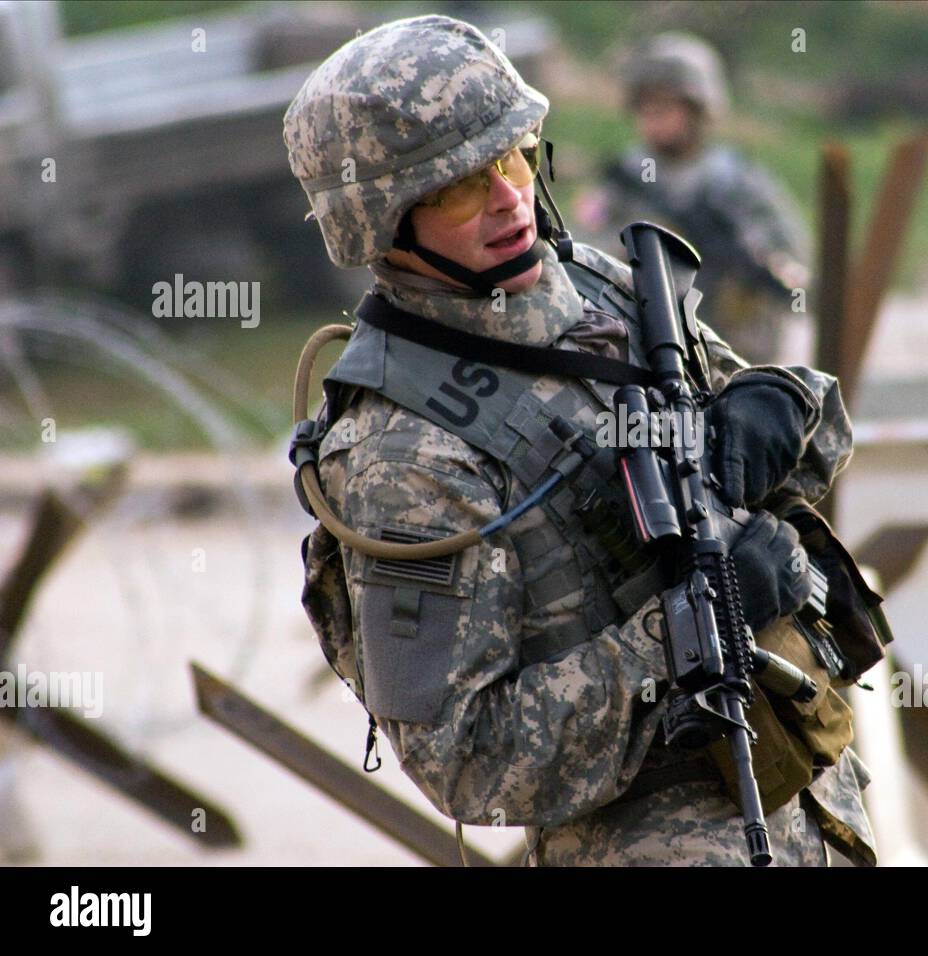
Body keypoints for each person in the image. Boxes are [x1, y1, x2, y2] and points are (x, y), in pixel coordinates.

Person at [285, 14, 885, 866]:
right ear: (381, 222)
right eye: (458, 190)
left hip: (812, 811)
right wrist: (683, 631)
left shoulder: (600, 289)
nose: (508, 198)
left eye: (514, 157)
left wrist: (786, 403)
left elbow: (815, 446)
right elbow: (468, 760)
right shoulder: (401, 453)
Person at [574, 32, 811, 365]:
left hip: (728, 351)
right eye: (646, 108)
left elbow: (789, 254)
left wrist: (759, 269)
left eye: (665, 107)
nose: (653, 119)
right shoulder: (624, 179)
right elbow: (583, 252)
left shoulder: (737, 180)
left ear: (699, 110)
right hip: (641, 348)